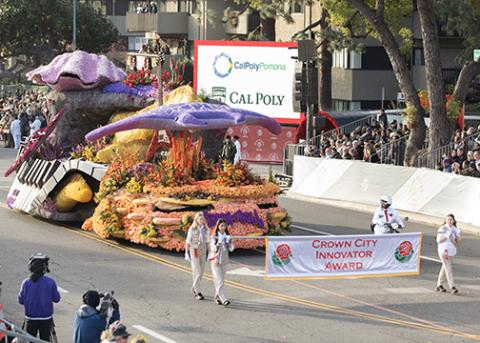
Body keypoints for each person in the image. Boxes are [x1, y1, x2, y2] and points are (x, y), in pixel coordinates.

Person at [18, 253, 61, 341]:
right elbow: (56, 299)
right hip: (46, 318)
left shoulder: (25, 282)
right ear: (44, 268)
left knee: (30, 340)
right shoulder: (50, 282)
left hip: (30, 318)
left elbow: (21, 300)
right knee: (45, 340)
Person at [185, 212, 210, 300]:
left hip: (203, 251)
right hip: (194, 250)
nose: (202, 221)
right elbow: (188, 241)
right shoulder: (192, 228)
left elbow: (207, 242)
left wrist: (209, 253)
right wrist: (186, 253)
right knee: (197, 271)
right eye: (200, 219)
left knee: (201, 272)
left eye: (203, 219)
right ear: (196, 220)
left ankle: (194, 288)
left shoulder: (206, 229)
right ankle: (197, 291)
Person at [209, 219, 234, 306]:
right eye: (221, 226)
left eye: (224, 225)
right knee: (219, 280)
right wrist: (219, 242)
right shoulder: (214, 236)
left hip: (224, 260)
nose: (223, 227)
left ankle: (216, 297)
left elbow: (231, 249)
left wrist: (229, 243)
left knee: (221, 280)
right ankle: (224, 299)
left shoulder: (227, 236)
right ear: (218, 226)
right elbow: (213, 249)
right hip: (215, 261)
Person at [436, 214, 461, 294]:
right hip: (444, 250)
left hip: (451, 251)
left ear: (453, 221)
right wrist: (446, 236)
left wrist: (456, 238)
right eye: (448, 220)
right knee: (449, 268)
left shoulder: (455, 229)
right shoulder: (443, 228)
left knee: (445, 267)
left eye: (451, 220)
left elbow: (458, 241)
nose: (449, 221)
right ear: (446, 221)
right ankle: (452, 286)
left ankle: (439, 285)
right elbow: (438, 240)